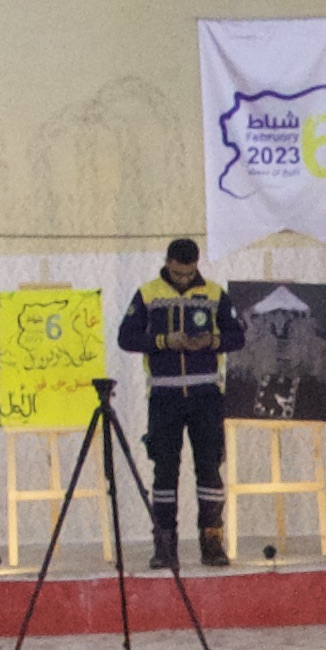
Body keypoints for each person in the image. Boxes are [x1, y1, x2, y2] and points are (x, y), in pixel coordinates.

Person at [121, 232, 234, 572]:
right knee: (165, 470)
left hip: (206, 396)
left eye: (189, 273)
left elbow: (238, 335)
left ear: (196, 264)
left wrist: (213, 340)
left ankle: (211, 540)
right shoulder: (148, 294)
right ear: (167, 263)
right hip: (165, 396)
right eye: (178, 273)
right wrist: (163, 341)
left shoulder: (214, 293)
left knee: (210, 468)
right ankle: (165, 543)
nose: (184, 279)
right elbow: (125, 337)